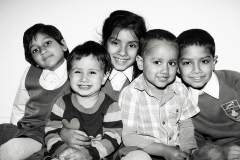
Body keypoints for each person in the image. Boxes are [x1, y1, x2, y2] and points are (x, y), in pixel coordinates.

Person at [59, 10, 147, 159]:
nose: (122, 52)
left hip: (128, 149)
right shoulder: (83, 78)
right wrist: (63, 133)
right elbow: (59, 113)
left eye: (131, 45)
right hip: (87, 149)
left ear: (140, 48)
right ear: (105, 42)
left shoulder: (144, 82)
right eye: (115, 43)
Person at [118, 29, 200, 160]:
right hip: (143, 152)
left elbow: (186, 126)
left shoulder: (181, 90)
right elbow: (128, 137)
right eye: (157, 62)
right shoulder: (131, 93)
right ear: (140, 62)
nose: (165, 70)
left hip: (175, 151)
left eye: (171, 63)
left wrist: (186, 152)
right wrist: (163, 150)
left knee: (211, 154)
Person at [0, 23, 71, 160]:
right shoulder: (30, 74)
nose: (42, 50)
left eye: (47, 43)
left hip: (47, 134)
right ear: (35, 61)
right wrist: (14, 131)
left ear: (63, 45)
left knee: (12, 150)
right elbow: (19, 106)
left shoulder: (75, 73)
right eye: (35, 50)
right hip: (25, 128)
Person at [44, 41, 123, 160]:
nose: (84, 79)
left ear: (104, 77)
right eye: (77, 72)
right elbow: (50, 132)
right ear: (69, 75)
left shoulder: (111, 107)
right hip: (63, 153)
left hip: (95, 156)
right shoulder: (62, 103)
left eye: (92, 72)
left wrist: (85, 154)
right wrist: (63, 150)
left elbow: (113, 139)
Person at [177, 28, 240, 160]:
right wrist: (222, 152)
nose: (197, 70)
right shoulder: (180, 99)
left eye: (204, 61)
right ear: (177, 68)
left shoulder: (234, 81)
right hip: (218, 151)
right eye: (187, 63)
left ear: (214, 62)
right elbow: (193, 140)